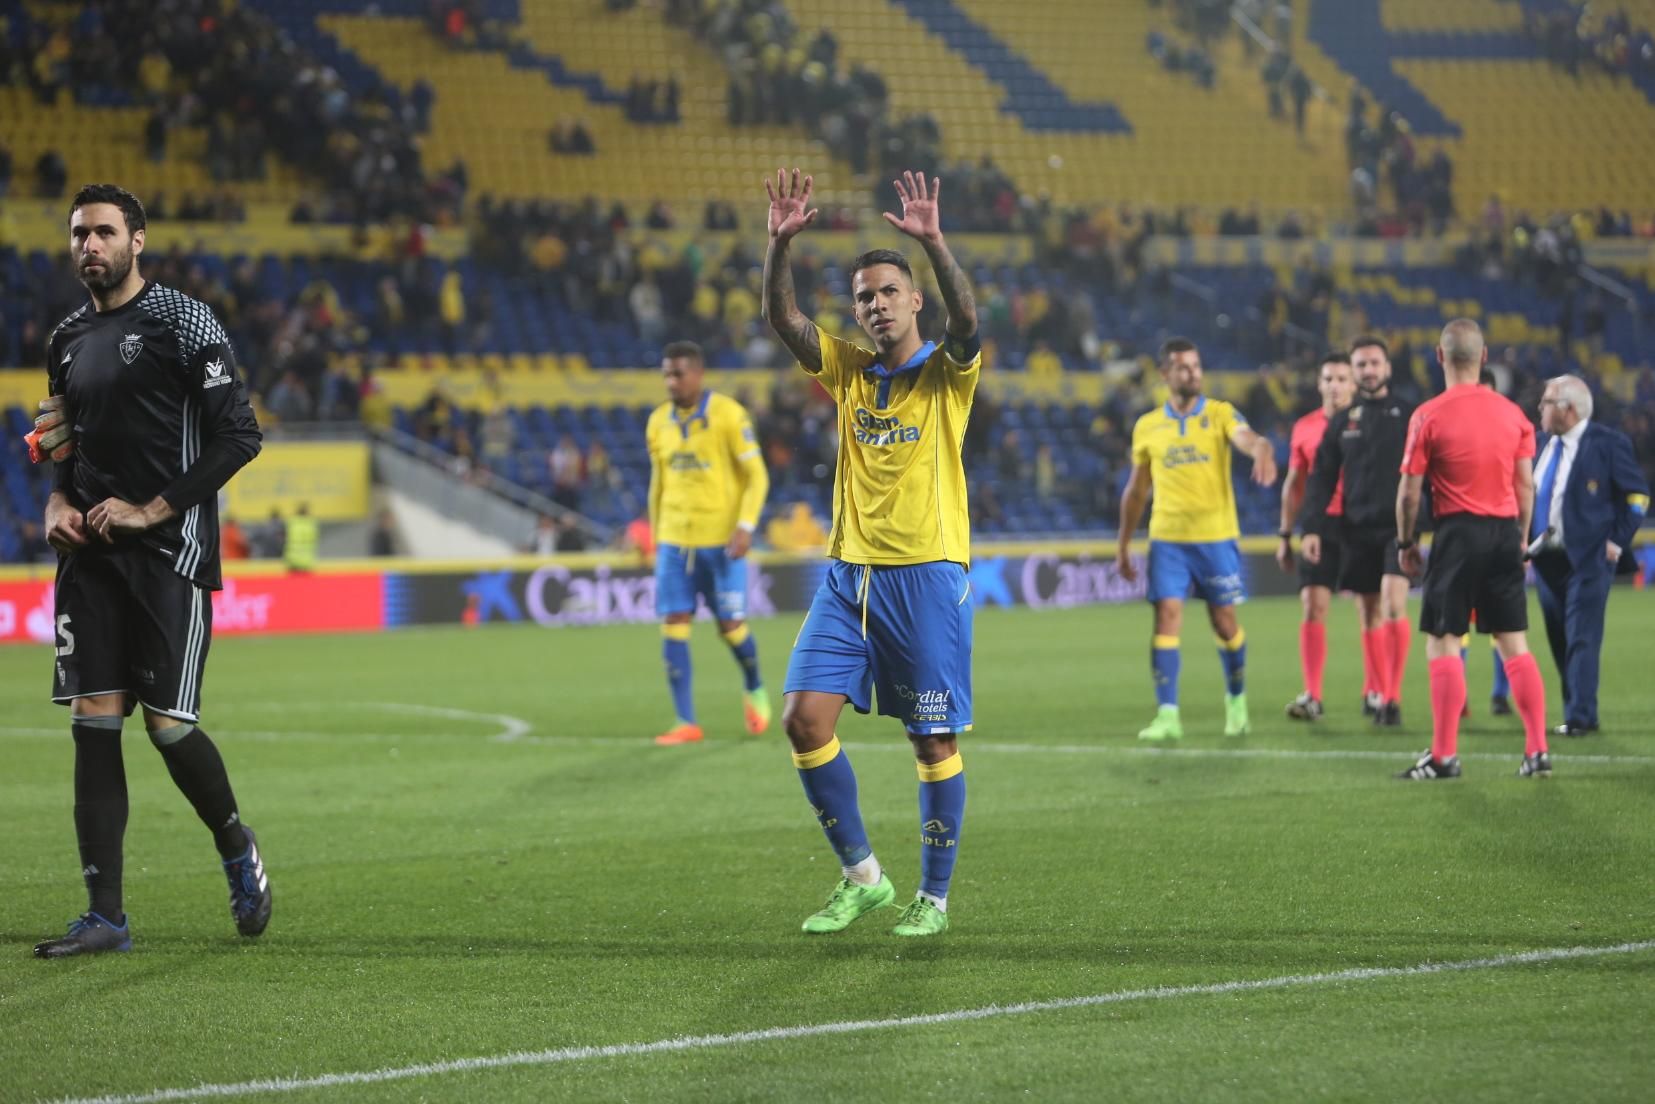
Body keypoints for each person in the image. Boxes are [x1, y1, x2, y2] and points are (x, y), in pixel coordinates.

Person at [32, 184, 269, 958]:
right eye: (78, 234)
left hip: (171, 552)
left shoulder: (183, 321)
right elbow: (64, 445)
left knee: (168, 728)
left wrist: (153, 508)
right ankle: (105, 915)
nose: (88, 246)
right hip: (91, 559)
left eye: (103, 232)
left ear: (138, 240)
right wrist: (57, 502)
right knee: (93, 721)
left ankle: (236, 846)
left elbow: (238, 436)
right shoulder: (65, 338)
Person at [763, 167, 980, 938]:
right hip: (847, 578)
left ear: (912, 299)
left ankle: (935, 897)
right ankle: (863, 879)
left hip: (924, 576)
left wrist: (934, 242)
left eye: (888, 291)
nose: (875, 305)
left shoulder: (947, 378)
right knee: (801, 721)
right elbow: (782, 317)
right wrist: (779, 243)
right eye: (864, 297)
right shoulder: (850, 372)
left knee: (930, 738)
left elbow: (967, 321)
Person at [1395, 319, 1550, 779]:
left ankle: (1443, 756)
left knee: (1443, 641)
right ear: (1484, 358)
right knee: (1513, 643)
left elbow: (1408, 493)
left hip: (1457, 534)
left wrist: (1407, 542)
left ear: (1440, 357)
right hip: (1504, 531)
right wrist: (1520, 536)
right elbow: (1525, 485)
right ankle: (1537, 750)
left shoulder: (1428, 414)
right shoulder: (1514, 416)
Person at [1117, 338, 1279, 742]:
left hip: (1215, 538)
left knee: (1224, 624)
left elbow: (1244, 436)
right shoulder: (1148, 426)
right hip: (1167, 540)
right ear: (1165, 374)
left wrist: (1260, 446)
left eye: (1196, 365)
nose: (1193, 372)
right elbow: (1137, 491)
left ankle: (1236, 701)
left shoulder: (1220, 414)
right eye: (1183, 366)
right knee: (1167, 617)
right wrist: (1123, 544)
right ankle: (1168, 715)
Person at [646, 340, 772, 746]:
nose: (671, 381)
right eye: (666, 373)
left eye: (678, 373)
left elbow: (757, 476)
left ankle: (753, 683)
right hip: (673, 542)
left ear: (698, 374)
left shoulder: (729, 416)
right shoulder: (657, 422)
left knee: (730, 625)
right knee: (674, 622)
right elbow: (658, 484)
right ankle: (686, 721)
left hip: (722, 544)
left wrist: (746, 525)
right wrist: (654, 536)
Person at [1300, 337, 1415, 727]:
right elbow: (1320, 478)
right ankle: (1379, 690)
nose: (1368, 371)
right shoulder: (1341, 422)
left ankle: (1393, 698)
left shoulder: (1408, 415)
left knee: (1393, 602)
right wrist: (1311, 527)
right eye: (1361, 365)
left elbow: (1427, 472)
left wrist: (1423, 522)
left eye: (1374, 363)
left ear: (1387, 367)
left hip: (1398, 529)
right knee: (1368, 612)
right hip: (1356, 528)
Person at [1528, 374, 1649, 736]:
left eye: (1546, 402)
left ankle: (1582, 717)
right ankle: (1574, 709)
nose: (1540, 408)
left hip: (1589, 558)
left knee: (1582, 635)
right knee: (1559, 637)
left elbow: (1638, 497)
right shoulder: (1539, 444)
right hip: (1546, 559)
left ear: (1568, 409)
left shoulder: (1608, 444)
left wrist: (1617, 541)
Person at [1277, 352, 1358, 719]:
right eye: (1329, 379)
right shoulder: (1305, 427)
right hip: (1319, 524)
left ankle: (1378, 692)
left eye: (1342, 379)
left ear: (1354, 384)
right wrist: (1284, 533)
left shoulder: (1368, 423)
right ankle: (1313, 694)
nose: (1335, 386)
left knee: (1371, 608)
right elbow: (1294, 484)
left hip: (1361, 522)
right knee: (1313, 605)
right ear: (1319, 384)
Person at [283, 502, 318, 573]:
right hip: (307, 560)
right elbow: (315, 539)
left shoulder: (291, 523)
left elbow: (285, 538)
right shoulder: (311, 524)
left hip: (292, 559)